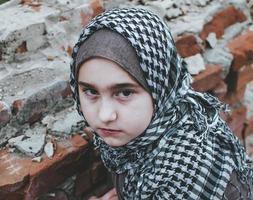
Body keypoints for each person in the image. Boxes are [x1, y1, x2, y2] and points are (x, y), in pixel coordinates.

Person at [69, 8, 253, 199]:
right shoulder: (138, 136)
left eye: (124, 92)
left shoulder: (188, 174)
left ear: (160, 88)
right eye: (90, 91)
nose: (104, 115)